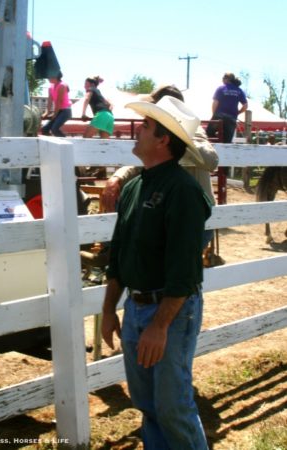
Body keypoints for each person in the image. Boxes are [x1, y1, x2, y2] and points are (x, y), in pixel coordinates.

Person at [101, 95, 211, 449]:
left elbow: (185, 269)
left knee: (172, 407)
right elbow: (118, 253)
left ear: (163, 140)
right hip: (136, 308)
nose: (138, 131)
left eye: (145, 127)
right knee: (148, 405)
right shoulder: (135, 187)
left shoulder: (183, 191)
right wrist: (107, 310)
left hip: (169, 310)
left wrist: (160, 326)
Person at [101, 84, 218, 248]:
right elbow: (142, 165)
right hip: (175, 213)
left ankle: (115, 253)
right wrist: (117, 177)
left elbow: (210, 160)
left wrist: (176, 140)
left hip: (192, 219)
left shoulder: (194, 130)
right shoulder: (158, 134)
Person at [206, 72, 248, 143]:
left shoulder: (221, 88)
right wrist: (238, 113)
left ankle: (216, 143)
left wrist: (214, 115)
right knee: (227, 142)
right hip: (231, 118)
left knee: (208, 134)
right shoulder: (239, 90)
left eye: (223, 78)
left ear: (227, 79)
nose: (222, 80)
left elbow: (215, 103)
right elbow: (245, 106)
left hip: (219, 116)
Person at [41, 71, 72, 137]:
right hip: (58, 111)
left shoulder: (62, 85)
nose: (48, 78)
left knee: (54, 129)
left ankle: (66, 144)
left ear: (55, 77)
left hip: (65, 111)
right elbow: (49, 100)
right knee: (44, 129)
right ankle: (50, 144)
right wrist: (46, 112)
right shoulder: (50, 87)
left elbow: (59, 102)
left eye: (49, 76)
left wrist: (55, 114)